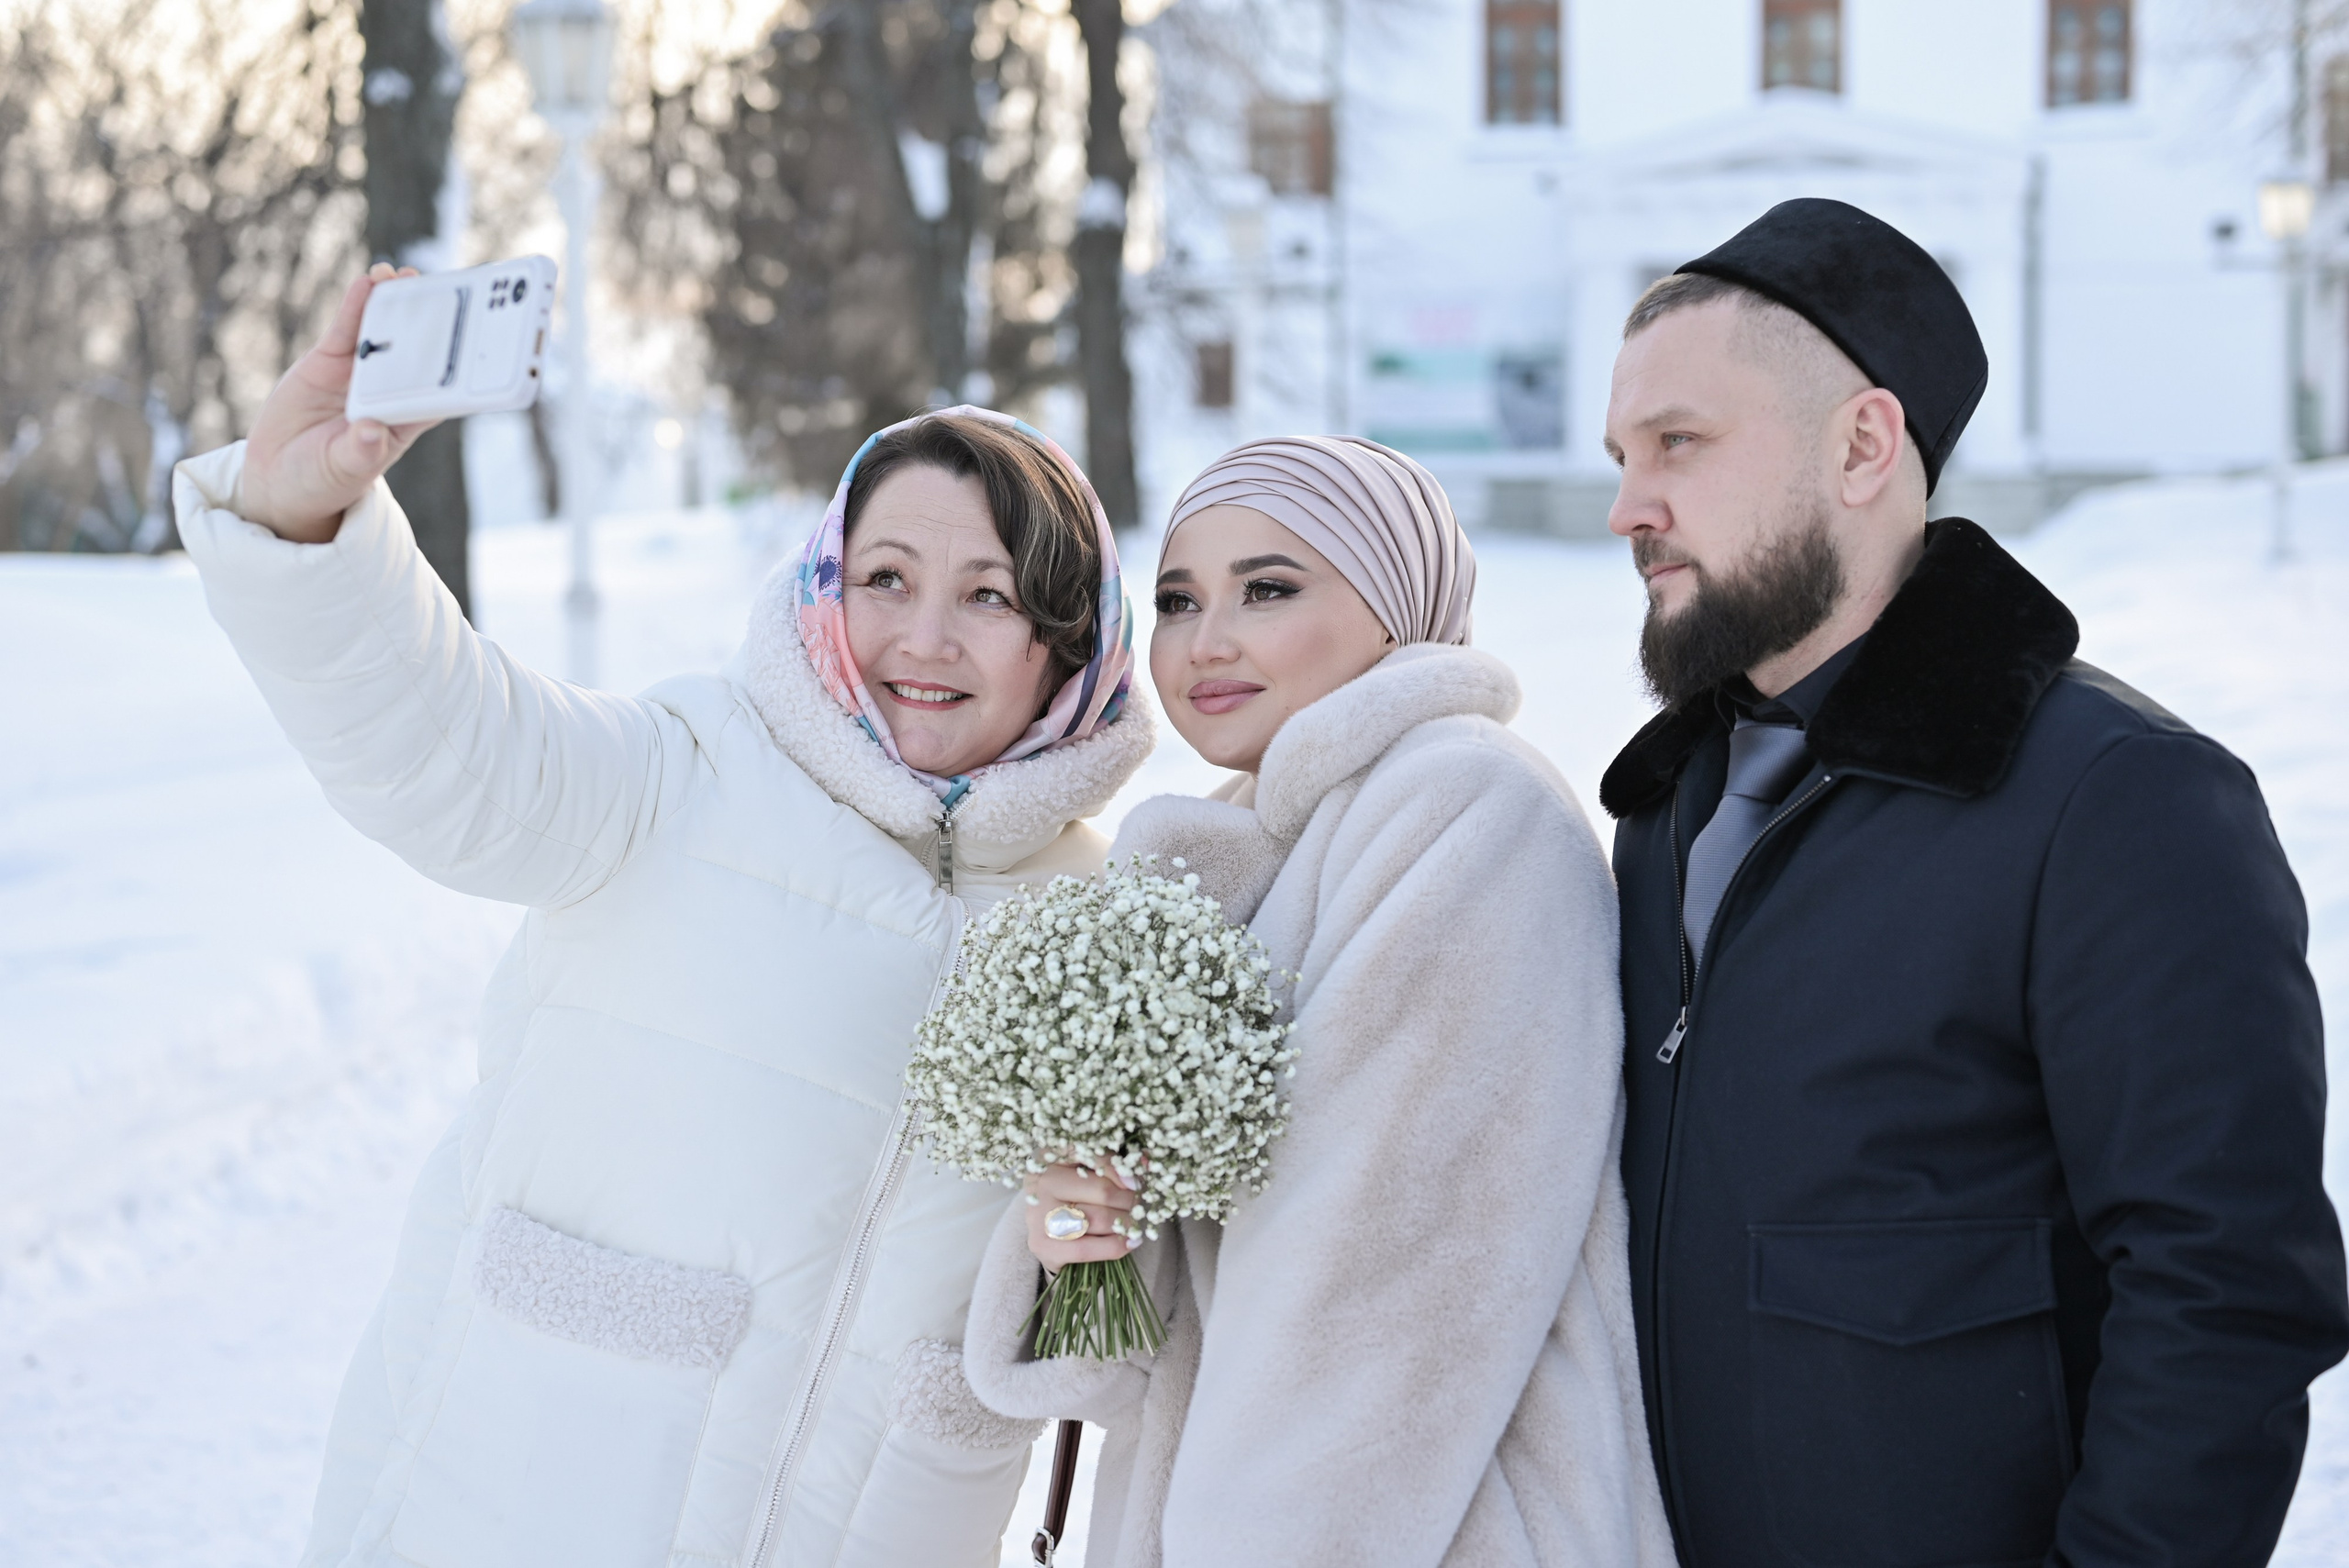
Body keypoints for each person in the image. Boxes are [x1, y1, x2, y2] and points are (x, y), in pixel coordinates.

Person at [170, 264, 1155, 1568]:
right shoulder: (676, 772)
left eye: (986, 594)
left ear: (1066, 638)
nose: (924, 637)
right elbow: (441, 737)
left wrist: (1088, 1248)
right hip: (535, 1492)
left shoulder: (1105, 929)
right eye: (885, 578)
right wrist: (306, 526)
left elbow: (1121, 1307)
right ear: (822, 589)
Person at [1599, 197, 2349, 1567]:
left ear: (1863, 445)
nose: (1626, 507)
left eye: (1680, 446)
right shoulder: (1660, 817)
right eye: (1622, 455)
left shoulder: (2123, 802)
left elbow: (2227, 1297)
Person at [962, 436, 1676, 1566]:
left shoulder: (1463, 808)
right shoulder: (1239, 851)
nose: (1208, 639)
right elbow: (1139, 1350)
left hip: (1428, 1521)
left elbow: (1379, 1289)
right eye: (1178, 599)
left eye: (1269, 587)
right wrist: (1079, 1238)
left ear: (1396, 605)